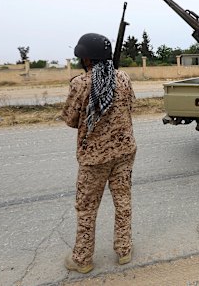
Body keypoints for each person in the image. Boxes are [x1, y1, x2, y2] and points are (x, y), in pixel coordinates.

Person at [62, 33, 137, 274]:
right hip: (125, 151)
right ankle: (124, 250)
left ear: (86, 58)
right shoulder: (124, 78)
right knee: (123, 201)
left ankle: (82, 259)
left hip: (94, 158)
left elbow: (71, 119)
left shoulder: (80, 83)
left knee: (86, 207)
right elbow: (130, 107)